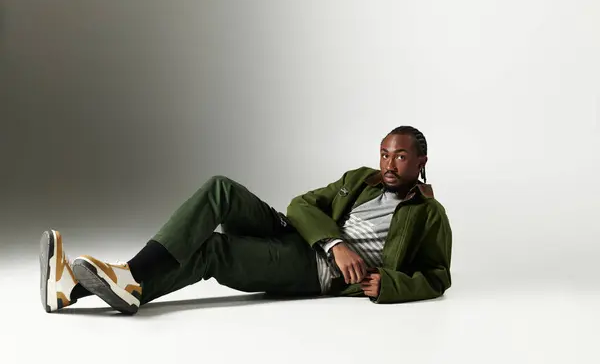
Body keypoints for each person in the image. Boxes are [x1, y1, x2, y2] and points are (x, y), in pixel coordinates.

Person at [39, 125, 452, 315]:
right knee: (220, 188)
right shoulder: (360, 179)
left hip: (314, 271)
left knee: (213, 251)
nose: (389, 163)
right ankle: (129, 278)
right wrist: (335, 242)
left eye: (400, 156)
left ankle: (76, 290)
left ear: (421, 161)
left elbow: (438, 275)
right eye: (384, 153)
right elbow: (301, 205)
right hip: (305, 240)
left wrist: (391, 285)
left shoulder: (430, 216)